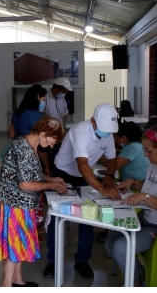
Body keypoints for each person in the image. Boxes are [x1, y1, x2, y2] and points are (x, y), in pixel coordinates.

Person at [43, 103, 120, 279]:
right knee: (57, 217)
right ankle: (52, 261)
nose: (107, 134)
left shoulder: (106, 133)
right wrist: (101, 188)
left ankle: (82, 260)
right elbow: (82, 165)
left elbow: (112, 158)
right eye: (104, 130)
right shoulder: (81, 132)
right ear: (93, 121)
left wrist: (109, 175)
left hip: (84, 176)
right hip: (64, 174)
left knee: (88, 217)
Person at [0, 117, 67, 287]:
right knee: (14, 244)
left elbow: (31, 173)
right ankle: (7, 285)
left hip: (22, 203)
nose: (51, 146)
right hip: (14, 203)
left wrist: (52, 179)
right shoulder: (23, 148)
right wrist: (52, 186)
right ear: (43, 134)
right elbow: (25, 183)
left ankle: (17, 280)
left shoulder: (31, 145)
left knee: (19, 242)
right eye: (52, 142)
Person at [106, 125, 157, 286]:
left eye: (149, 150)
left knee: (120, 248)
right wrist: (134, 183)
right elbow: (152, 185)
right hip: (146, 218)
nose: (145, 155)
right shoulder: (153, 164)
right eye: (144, 150)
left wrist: (144, 197)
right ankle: (140, 274)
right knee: (110, 241)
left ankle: (136, 282)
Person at [8, 84, 49, 241]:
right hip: (33, 156)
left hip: (17, 155)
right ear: (38, 97)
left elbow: (11, 134)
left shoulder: (17, 113)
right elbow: (40, 145)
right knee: (35, 193)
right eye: (44, 99)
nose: (44, 102)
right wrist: (47, 166)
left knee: (21, 191)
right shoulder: (35, 116)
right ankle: (36, 230)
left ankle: (22, 227)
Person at [96, 121, 150, 242]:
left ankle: (109, 231)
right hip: (132, 185)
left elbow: (113, 165)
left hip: (136, 188)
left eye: (116, 138)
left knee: (110, 196)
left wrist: (97, 156)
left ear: (124, 138)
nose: (115, 141)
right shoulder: (136, 146)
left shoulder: (133, 148)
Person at [42, 77, 73, 177]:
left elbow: (64, 116)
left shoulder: (62, 99)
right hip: (48, 134)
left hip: (60, 133)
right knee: (49, 154)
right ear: (56, 89)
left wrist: (63, 130)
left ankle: (57, 174)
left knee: (58, 154)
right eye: (63, 92)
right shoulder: (46, 98)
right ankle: (49, 173)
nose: (64, 94)